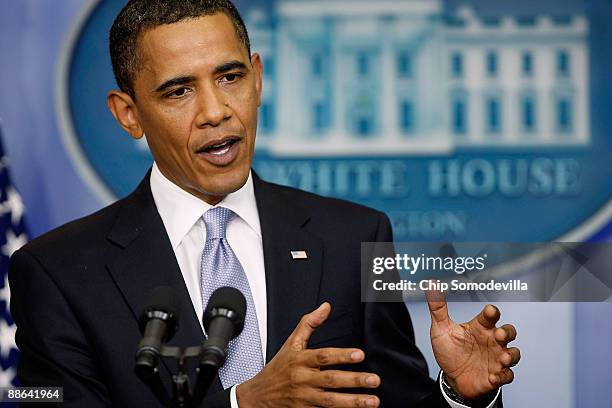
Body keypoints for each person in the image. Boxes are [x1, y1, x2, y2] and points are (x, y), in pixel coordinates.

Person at [9, 1, 520, 407]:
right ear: (128, 114)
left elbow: (396, 402)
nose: (215, 111)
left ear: (257, 77)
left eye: (229, 77)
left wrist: (460, 396)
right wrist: (242, 405)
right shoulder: (58, 273)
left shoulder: (356, 237)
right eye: (179, 91)